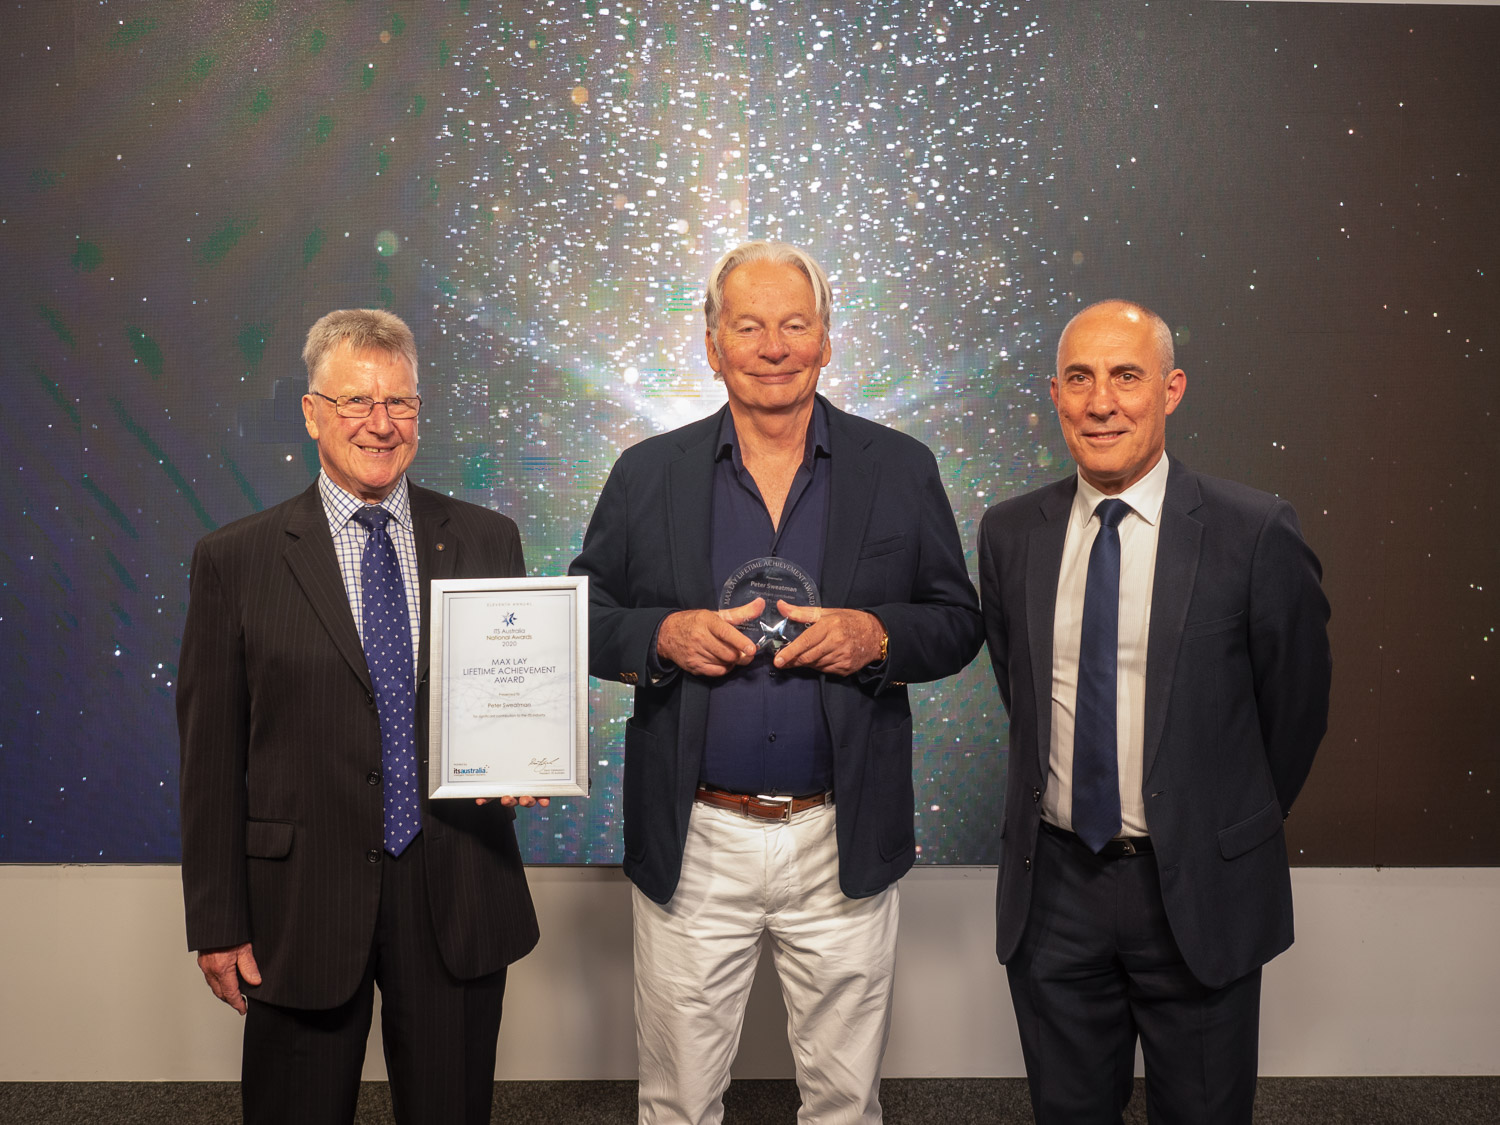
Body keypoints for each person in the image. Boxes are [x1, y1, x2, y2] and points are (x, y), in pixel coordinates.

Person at [570, 241, 982, 1123]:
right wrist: (662, 634)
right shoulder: (647, 475)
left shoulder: (899, 467)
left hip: (841, 831)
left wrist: (875, 634)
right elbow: (583, 616)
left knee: (844, 1101)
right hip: (697, 835)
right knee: (677, 1102)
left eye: (796, 325)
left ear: (827, 341)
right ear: (711, 344)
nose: (773, 345)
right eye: (748, 326)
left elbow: (958, 620)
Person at [177, 308, 542, 1125]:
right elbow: (209, 759)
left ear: (419, 411)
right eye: (356, 402)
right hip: (300, 902)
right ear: (312, 413)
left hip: (454, 886)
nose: (381, 424)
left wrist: (525, 760)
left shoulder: (487, 538)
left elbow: (514, 689)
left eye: (400, 404)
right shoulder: (235, 560)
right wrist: (218, 920)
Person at [977, 300, 1332, 1123]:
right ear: (1055, 394)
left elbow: (1296, 709)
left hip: (1197, 888)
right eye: (1081, 378)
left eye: (1126, 376)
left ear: (1171, 390)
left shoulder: (1253, 531)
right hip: (1056, 890)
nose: (1102, 402)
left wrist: (1219, 823)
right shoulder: (1008, 534)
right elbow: (1021, 689)